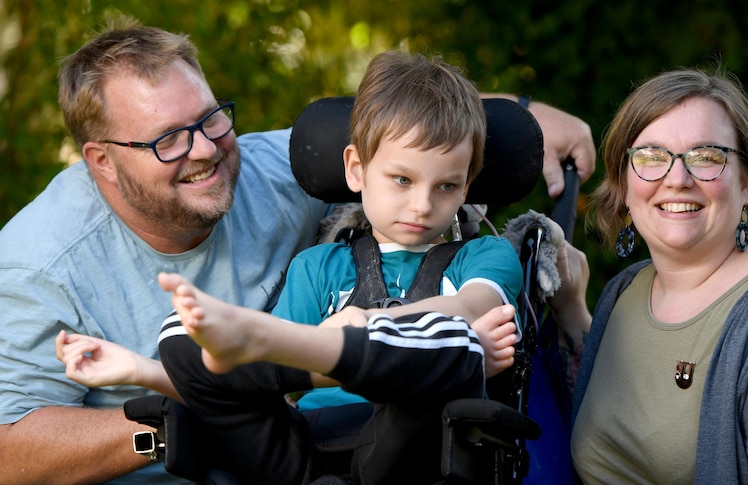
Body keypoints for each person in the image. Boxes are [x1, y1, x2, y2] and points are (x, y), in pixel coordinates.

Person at [0, 17, 595, 485]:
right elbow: (7, 450)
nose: (205, 150)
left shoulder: (268, 170)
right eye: (168, 140)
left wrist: (521, 114)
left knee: (442, 346)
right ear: (102, 161)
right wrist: (172, 426)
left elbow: (399, 133)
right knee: (182, 336)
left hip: (395, 440)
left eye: (210, 119)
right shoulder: (37, 265)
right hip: (252, 453)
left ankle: (310, 348)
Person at [567, 66, 748, 483]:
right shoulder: (624, 292)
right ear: (624, 184)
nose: (677, 179)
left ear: (746, 182)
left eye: (706, 157)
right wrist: (568, 309)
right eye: (651, 157)